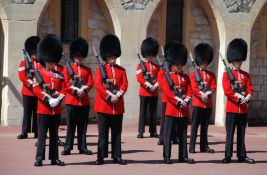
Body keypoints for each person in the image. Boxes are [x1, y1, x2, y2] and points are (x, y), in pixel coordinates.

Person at [94, 34, 128, 165]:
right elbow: (98, 84)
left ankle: (116, 156)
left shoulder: (121, 70)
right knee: (102, 134)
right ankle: (101, 156)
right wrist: (109, 96)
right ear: (106, 57)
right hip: (104, 106)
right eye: (110, 57)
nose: (112, 59)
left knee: (117, 133)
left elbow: (124, 85)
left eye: (114, 57)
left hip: (117, 106)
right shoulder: (100, 69)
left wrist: (118, 95)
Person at [33, 35, 65, 166]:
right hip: (44, 109)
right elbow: (36, 89)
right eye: (48, 61)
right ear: (44, 59)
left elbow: (65, 88)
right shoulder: (40, 73)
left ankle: (54, 158)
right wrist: (48, 99)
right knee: (42, 136)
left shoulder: (60, 75)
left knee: (54, 135)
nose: (51, 63)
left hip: (56, 109)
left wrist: (58, 100)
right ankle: (39, 158)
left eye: (52, 61)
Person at [222, 38, 255, 164]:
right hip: (232, 108)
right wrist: (238, 97)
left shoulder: (245, 75)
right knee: (230, 133)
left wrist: (248, 96)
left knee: (241, 133)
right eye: (236, 60)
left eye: (240, 60)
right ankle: (227, 155)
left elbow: (250, 88)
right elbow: (227, 91)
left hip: (243, 109)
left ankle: (242, 155)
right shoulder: (227, 75)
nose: (238, 62)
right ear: (232, 60)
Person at [161, 43, 194, 164]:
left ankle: (183, 155)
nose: (180, 66)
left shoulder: (186, 77)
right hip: (172, 109)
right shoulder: (167, 76)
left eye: (181, 64)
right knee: (168, 134)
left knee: (183, 134)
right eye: (177, 64)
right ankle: (166, 156)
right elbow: (167, 92)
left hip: (183, 110)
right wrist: (177, 100)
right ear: (172, 64)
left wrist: (187, 99)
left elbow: (190, 90)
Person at [61, 37, 93, 155]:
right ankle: (67, 147)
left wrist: (84, 89)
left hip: (84, 101)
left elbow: (90, 83)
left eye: (81, 56)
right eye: (77, 56)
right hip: (72, 101)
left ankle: (82, 147)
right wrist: (75, 90)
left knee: (82, 127)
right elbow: (65, 84)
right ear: (73, 56)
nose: (79, 59)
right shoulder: (67, 69)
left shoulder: (87, 69)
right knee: (71, 126)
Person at [189, 43, 216, 153]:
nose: (204, 63)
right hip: (198, 103)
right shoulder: (193, 74)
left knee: (205, 127)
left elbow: (213, 87)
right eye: (203, 61)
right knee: (195, 126)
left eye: (206, 61)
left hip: (208, 103)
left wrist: (208, 93)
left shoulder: (211, 75)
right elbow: (194, 88)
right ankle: (192, 146)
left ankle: (204, 146)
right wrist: (202, 95)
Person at [136, 37, 160, 138]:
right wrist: (149, 85)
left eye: (151, 54)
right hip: (144, 92)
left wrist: (155, 85)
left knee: (153, 112)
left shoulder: (157, 67)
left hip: (154, 92)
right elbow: (139, 78)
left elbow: (160, 78)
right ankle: (141, 131)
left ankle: (153, 131)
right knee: (143, 112)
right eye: (148, 54)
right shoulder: (140, 66)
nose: (150, 56)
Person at [17, 36, 40, 139]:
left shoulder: (40, 63)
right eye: (34, 53)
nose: (36, 54)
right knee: (27, 112)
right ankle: (24, 131)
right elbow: (22, 76)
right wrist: (31, 84)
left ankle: (36, 131)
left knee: (36, 112)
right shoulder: (23, 62)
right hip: (27, 91)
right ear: (31, 53)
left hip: (37, 92)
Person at [157, 41, 179, 145]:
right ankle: (163, 138)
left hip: (177, 96)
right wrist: (168, 89)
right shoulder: (164, 67)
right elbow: (160, 81)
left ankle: (174, 137)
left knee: (176, 119)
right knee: (165, 120)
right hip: (167, 97)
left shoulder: (176, 67)